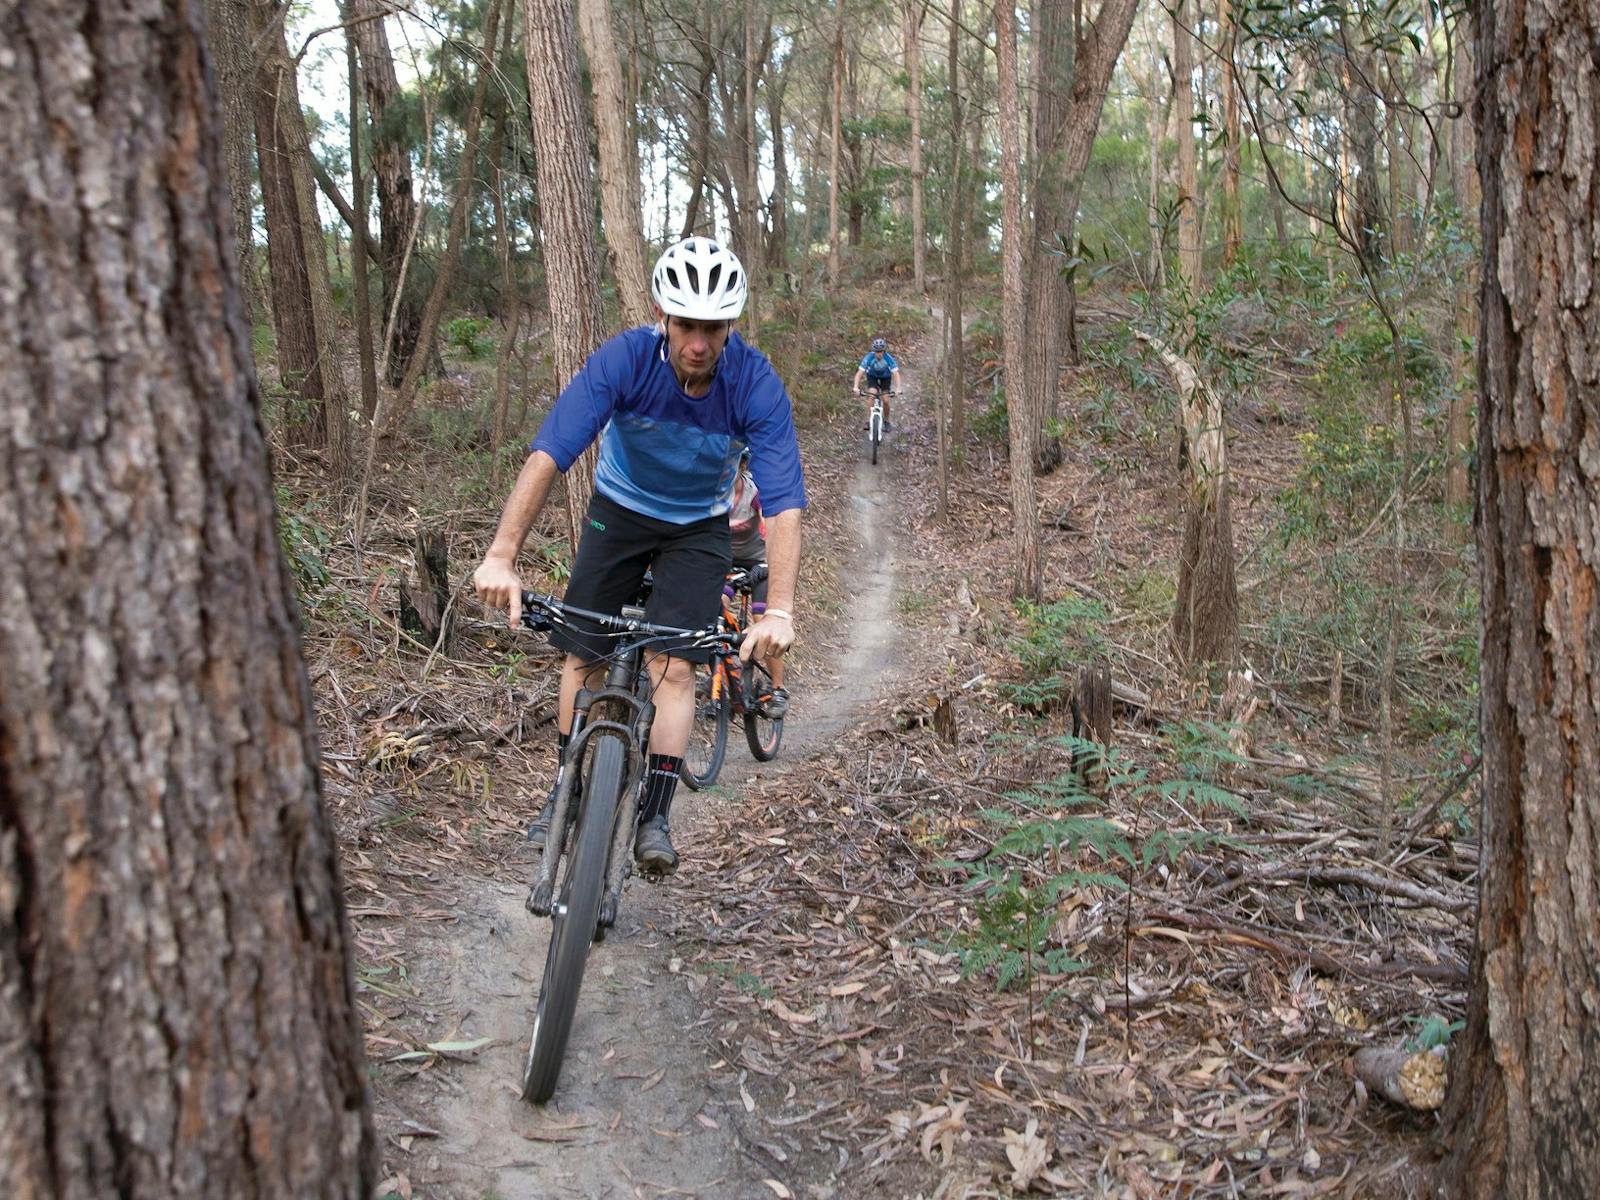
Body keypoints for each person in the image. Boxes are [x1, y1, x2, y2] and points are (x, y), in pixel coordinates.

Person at [473, 238, 806, 875]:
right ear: (663, 315)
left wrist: (780, 609)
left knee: (675, 667)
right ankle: (562, 792)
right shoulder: (626, 358)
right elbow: (553, 450)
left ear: (730, 325)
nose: (699, 344)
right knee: (584, 654)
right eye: (686, 325)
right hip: (619, 512)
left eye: (712, 328)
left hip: (697, 527)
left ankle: (653, 812)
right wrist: (501, 554)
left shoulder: (754, 382)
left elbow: (784, 497)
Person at [727, 449, 787, 718]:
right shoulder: (713, 495)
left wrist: (769, 561)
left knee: (762, 620)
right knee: (713, 613)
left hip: (760, 560)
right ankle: (718, 673)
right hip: (727, 562)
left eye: (734, 463)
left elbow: (767, 525)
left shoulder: (753, 493)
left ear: (742, 465)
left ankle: (777, 689)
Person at [852, 337, 902, 433]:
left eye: (881, 351)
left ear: (884, 351)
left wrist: (898, 388)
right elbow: (859, 373)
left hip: (885, 378)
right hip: (872, 377)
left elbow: (896, 374)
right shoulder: (868, 358)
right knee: (871, 395)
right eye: (877, 351)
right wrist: (855, 387)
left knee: (886, 400)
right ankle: (869, 420)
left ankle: (887, 421)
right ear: (874, 351)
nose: (879, 353)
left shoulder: (888, 358)